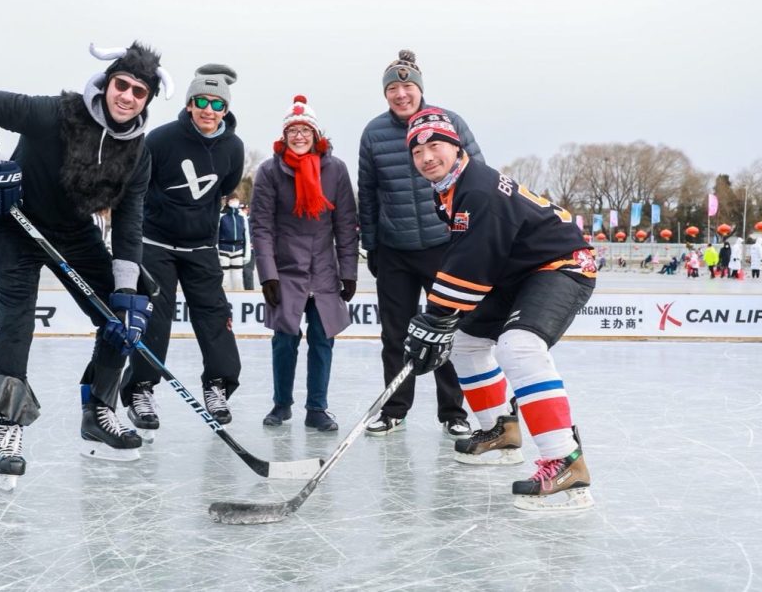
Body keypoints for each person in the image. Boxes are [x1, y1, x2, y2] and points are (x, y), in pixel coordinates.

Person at [0, 41, 172, 489]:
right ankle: (7, 423)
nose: (126, 96)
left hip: (72, 233)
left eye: (138, 91)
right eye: (121, 84)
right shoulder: (55, 113)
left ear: (147, 99)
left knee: (126, 311)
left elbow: (129, 223)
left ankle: (99, 409)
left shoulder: (139, 153)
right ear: (108, 83)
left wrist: (125, 294)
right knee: (17, 321)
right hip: (15, 224)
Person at [402, 108, 595, 511]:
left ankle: (566, 461)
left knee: (519, 347)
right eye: (417, 151)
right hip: (519, 273)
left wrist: (436, 314)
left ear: (456, 147)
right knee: (465, 341)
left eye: (435, 145)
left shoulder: (477, 188)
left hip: (562, 264)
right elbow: (468, 256)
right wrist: (442, 320)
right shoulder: (451, 188)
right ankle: (500, 430)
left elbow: (474, 258)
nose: (426, 157)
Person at [357, 50, 481, 439]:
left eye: (407, 86)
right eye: (392, 88)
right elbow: (368, 193)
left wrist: (472, 236)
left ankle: (453, 412)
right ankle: (395, 409)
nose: (400, 94)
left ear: (420, 89)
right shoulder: (373, 133)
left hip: (444, 246)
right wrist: (373, 246)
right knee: (395, 335)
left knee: (445, 329)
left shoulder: (449, 122)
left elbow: (476, 178)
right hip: (395, 249)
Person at [121, 64, 245, 434]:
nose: (209, 110)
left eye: (217, 104)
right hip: (156, 244)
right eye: (202, 101)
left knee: (214, 315)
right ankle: (141, 389)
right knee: (154, 320)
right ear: (190, 104)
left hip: (201, 246)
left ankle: (218, 385)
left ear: (226, 109)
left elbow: (227, 186)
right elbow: (136, 186)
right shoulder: (160, 139)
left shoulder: (234, 147)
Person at [250, 96, 358, 432]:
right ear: (284, 136)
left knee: (323, 338)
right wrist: (268, 274)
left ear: (315, 134)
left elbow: (345, 225)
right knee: (285, 337)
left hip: (324, 268)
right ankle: (281, 405)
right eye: (292, 130)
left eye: (304, 129)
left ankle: (317, 408)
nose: (299, 136)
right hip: (286, 268)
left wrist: (349, 272)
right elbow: (261, 226)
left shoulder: (336, 170)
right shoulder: (269, 171)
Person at [218, 193, 250, 291]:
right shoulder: (221, 215)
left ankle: (238, 298)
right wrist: (216, 251)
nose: (235, 201)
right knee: (224, 278)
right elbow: (216, 234)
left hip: (238, 249)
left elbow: (246, 235)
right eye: (233, 199)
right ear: (228, 201)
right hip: (224, 249)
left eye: (236, 199)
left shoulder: (242, 215)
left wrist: (247, 253)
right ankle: (223, 299)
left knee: (238, 278)